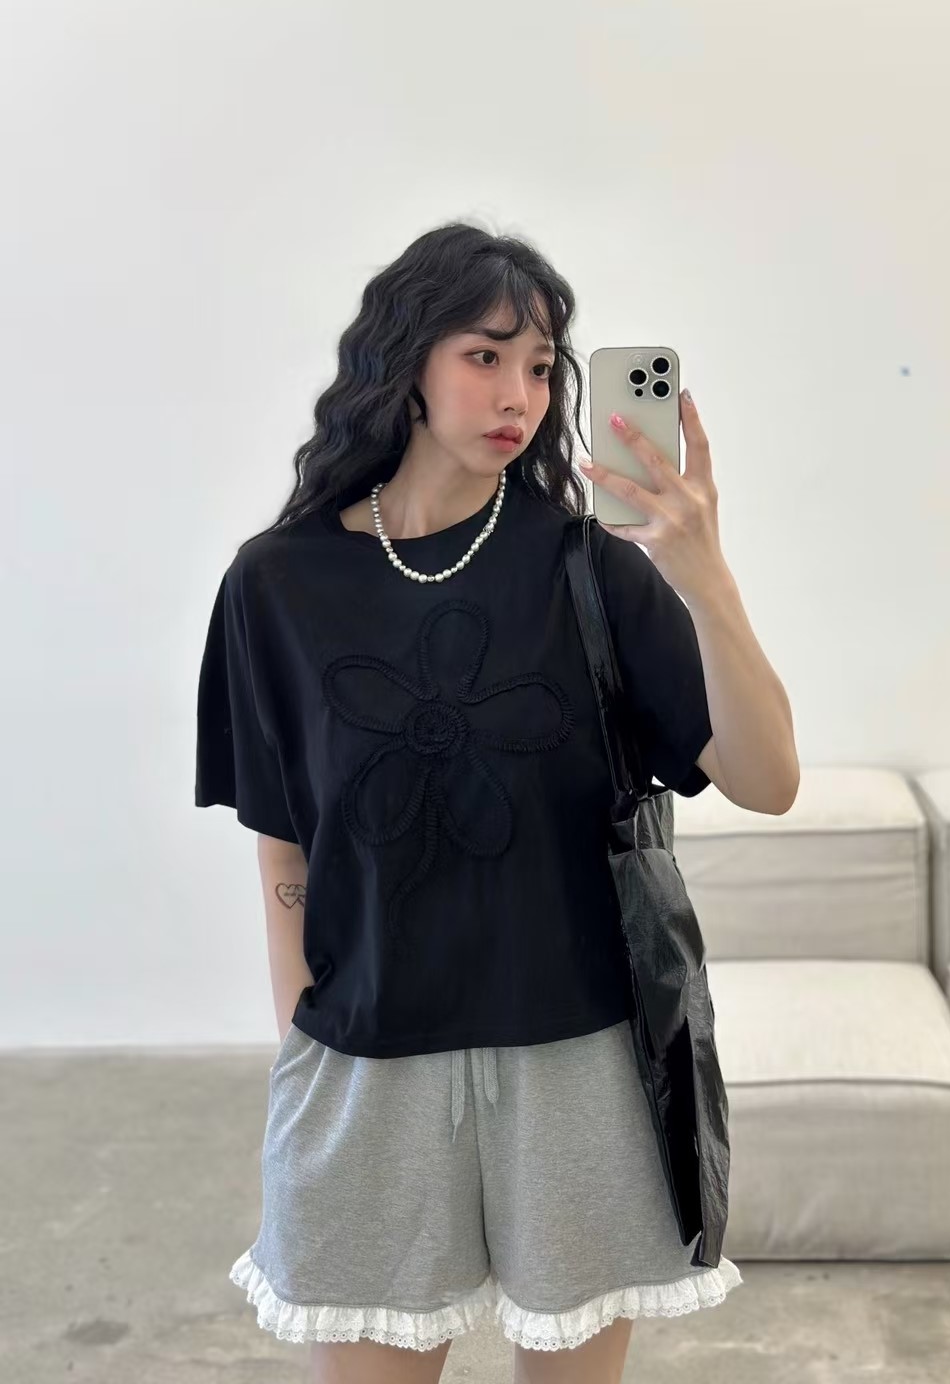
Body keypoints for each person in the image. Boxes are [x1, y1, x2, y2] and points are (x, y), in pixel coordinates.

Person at [195, 220, 744, 1384]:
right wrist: (300, 1025)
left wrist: (705, 578)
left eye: (541, 367)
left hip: (575, 1060)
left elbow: (770, 777)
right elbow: (281, 830)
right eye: (485, 356)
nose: (518, 396)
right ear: (407, 362)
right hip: (367, 1057)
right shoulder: (276, 584)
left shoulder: (591, 566)